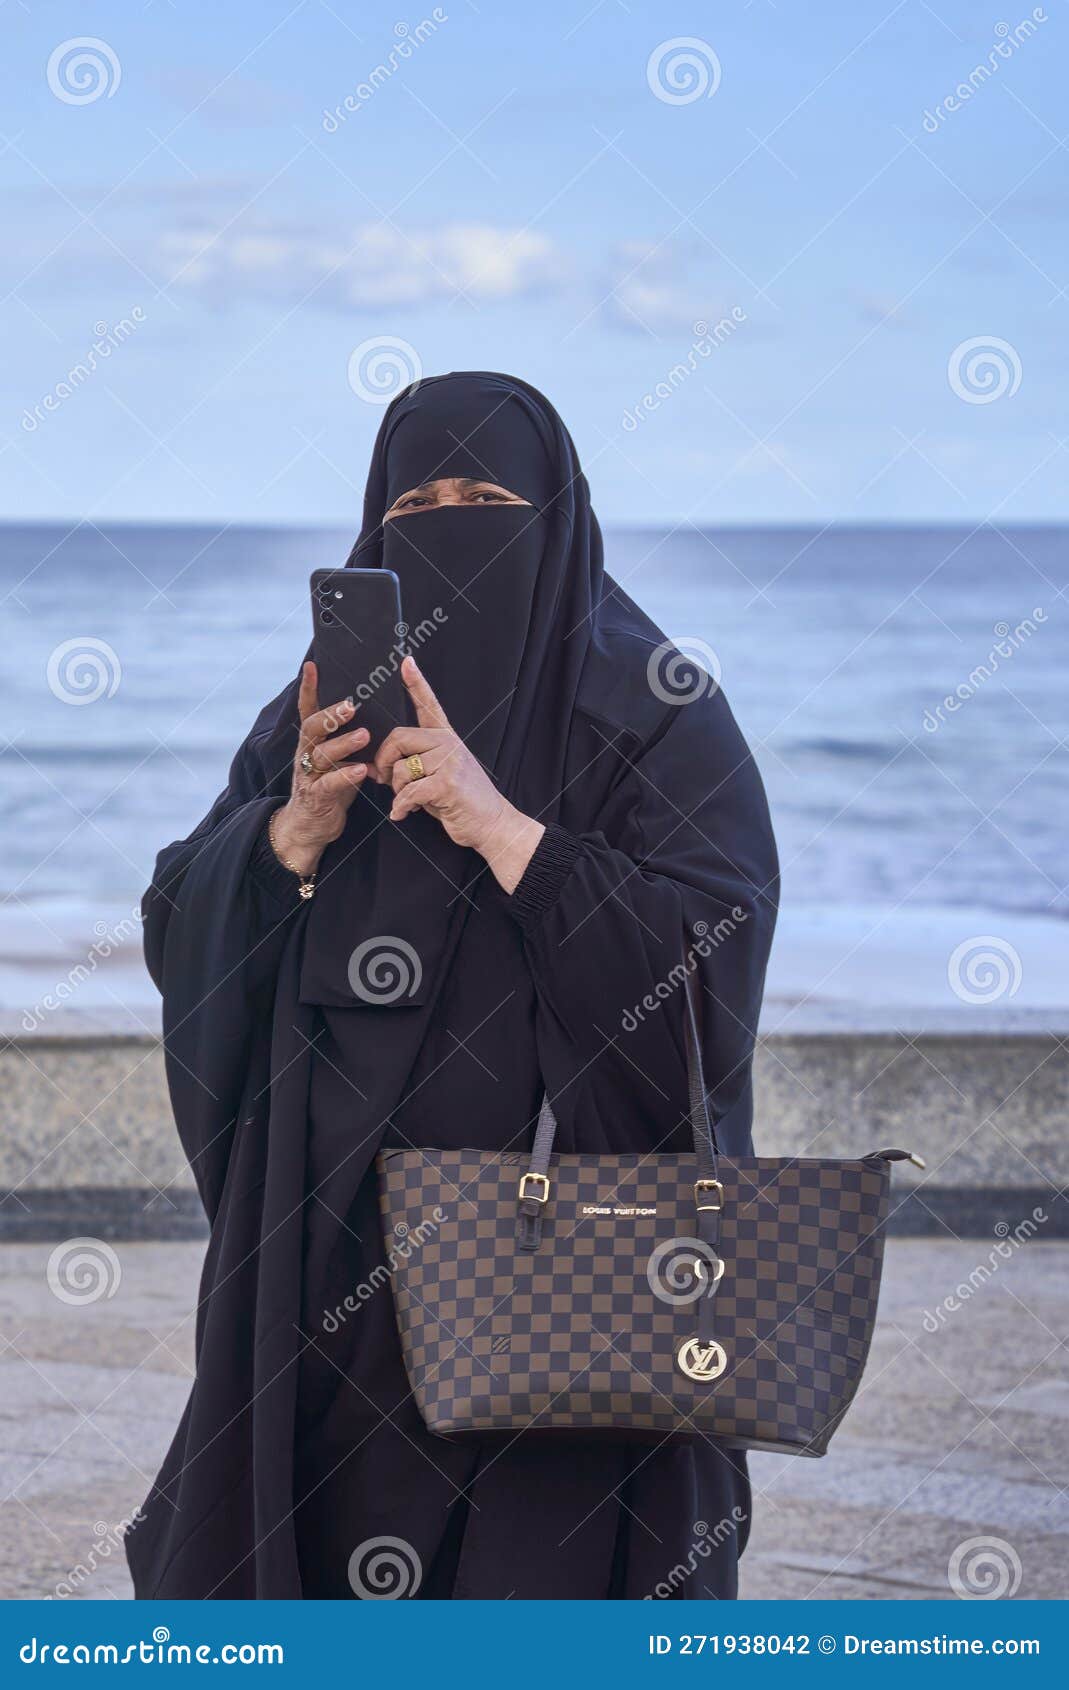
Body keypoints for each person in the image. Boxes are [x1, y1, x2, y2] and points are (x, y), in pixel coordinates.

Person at [128, 371, 779, 1600]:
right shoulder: (318, 708)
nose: (451, 523)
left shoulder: (649, 707)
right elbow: (179, 916)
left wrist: (505, 830)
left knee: (548, 1566)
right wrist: (292, 830)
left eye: (485, 495)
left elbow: (716, 938)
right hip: (334, 1247)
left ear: (557, 513)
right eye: (415, 503)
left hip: (568, 1255)